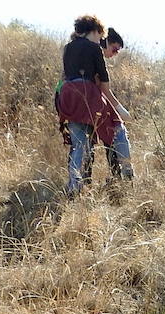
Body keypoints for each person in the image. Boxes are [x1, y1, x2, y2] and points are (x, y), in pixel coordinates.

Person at [54, 15, 126, 197]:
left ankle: (74, 185)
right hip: (87, 96)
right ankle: (119, 178)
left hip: (67, 95)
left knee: (78, 143)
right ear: (94, 31)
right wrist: (119, 108)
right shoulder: (95, 49)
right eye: (99, 35)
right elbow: (103, 82)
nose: (100, 39)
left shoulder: (68, 47)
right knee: (96, 139)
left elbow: (66, 75)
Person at [82, 27, 133, 186]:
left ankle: (118, 180)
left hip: (95, 105)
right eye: (115, 49)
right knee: (92, 142)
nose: (115, 53)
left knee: (108, 138)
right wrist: (119, 109)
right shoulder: (94, 54)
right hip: (88, 105)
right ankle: (122, 178)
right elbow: (103, 88)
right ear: (106, 42)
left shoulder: (90, 52)